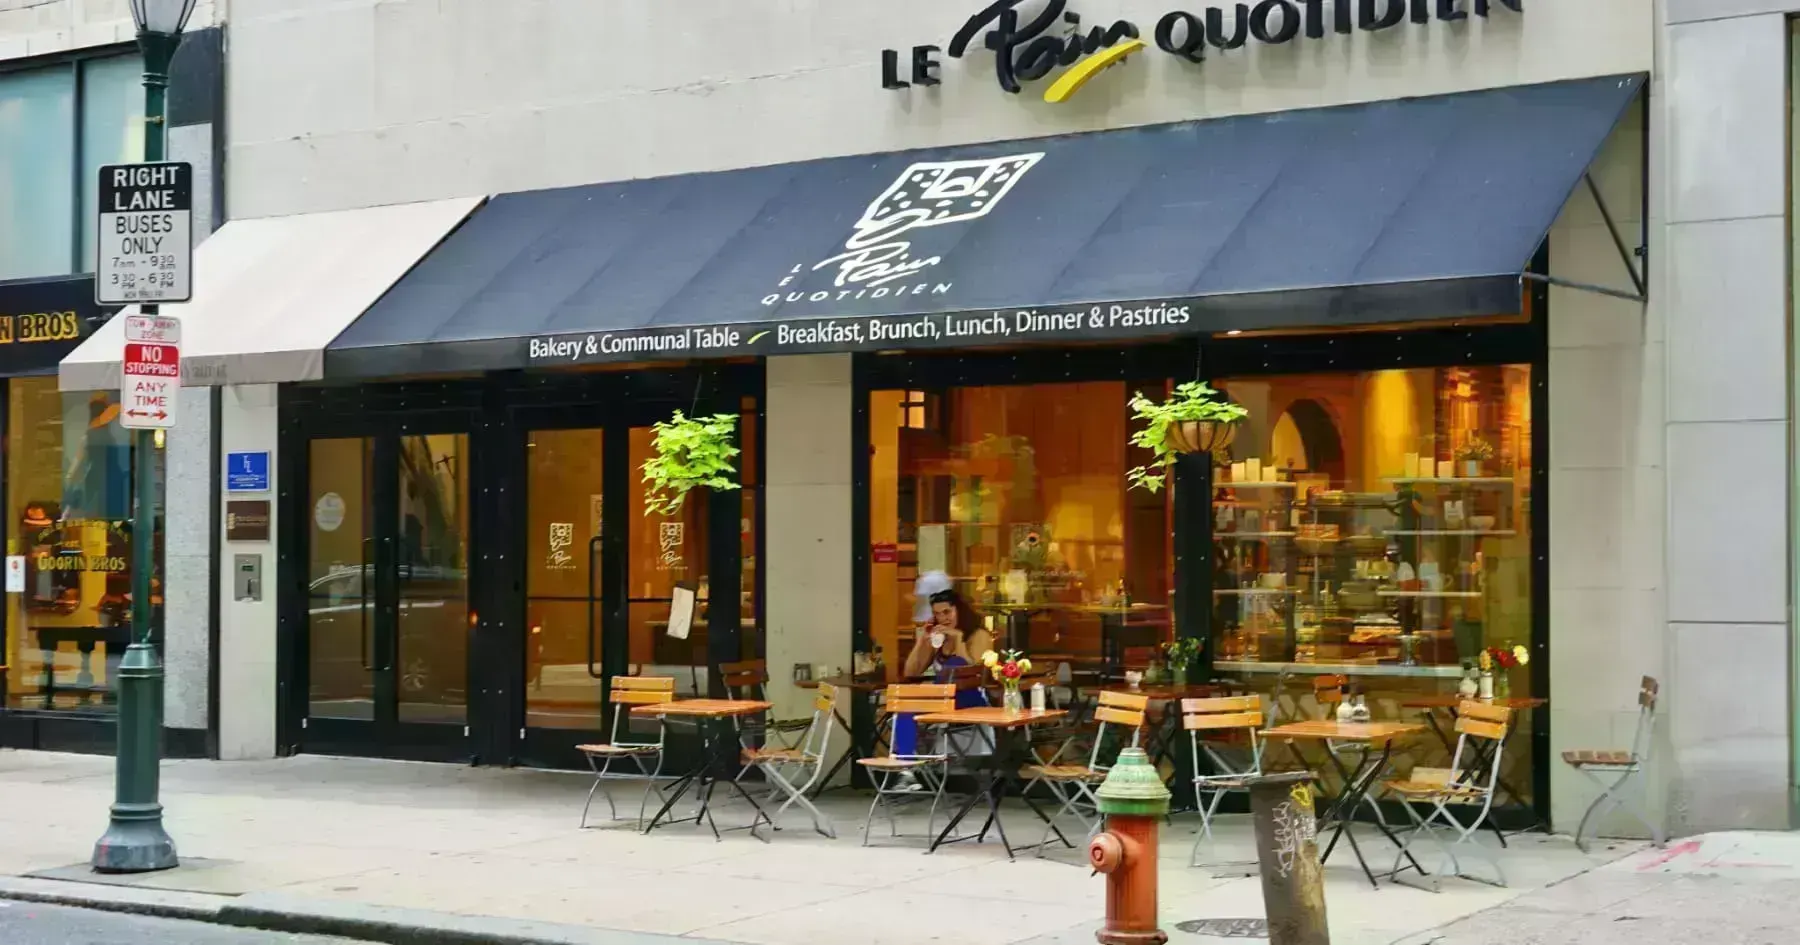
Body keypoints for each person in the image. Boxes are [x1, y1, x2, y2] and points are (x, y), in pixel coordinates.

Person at [891, 588, 996, 777]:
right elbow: (911, 671)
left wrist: (958, 640)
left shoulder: (979, 635)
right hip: (941, 700)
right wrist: (922, 640)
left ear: (959, 610)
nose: (943, 618)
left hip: (969, 699)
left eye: (947, 612)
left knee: (915, 703)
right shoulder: (939, 639)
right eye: (937, 614)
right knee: (905, 708)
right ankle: (906, 768)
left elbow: (973, 670)